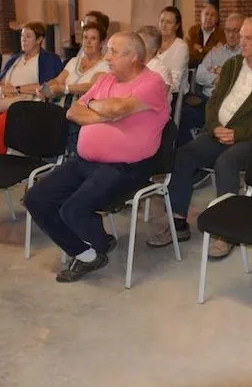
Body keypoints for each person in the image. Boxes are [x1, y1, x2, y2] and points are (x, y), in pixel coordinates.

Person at [23, 32, 170, 283]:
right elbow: (72, 111)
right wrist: (106, 112)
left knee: (72, 209)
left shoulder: (152, 83)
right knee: (36, 198)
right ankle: (90, 253)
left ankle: (98, 243)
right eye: (108, 50)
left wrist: (106, 109)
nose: (107, 56)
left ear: (134, 56)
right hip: (85, 161)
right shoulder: (106, 80)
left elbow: (117, 108)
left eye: (113, 51)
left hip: (126, 167)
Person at [146, 17, 252, 259]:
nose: (241, 41)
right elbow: (213, 102)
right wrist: (214, 127)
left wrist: (239, 133)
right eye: (241, 36)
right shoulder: (233, 64)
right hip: (219, 131)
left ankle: (228, 231)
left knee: (227, 162)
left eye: (248, 37)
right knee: (184, 155)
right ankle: (178, 221)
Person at [0, 22, 63, 156]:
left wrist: (17, 89)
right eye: (22, 36)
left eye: (28, 36)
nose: (23, 40)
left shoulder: (50, 59)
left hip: (28, 104)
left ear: (39, 40)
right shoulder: (15, 58)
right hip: (5, 100)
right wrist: (0, 89)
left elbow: (46, 87)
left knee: (0, 127)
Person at [37, 22, 109, 155]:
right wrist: (44, 90)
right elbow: (57, 81)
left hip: (80, 112)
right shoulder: (74, 61)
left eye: (93, 38)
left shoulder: (105, 65)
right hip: (58, 108)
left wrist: (64, 88)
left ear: (101, 43)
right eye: (85, 37)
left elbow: (91, 87)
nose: (88, 42)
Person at [177, 13, 245, 146]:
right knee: (180, 113)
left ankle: (196, 146)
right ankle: (189, 150)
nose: (231, 35)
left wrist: (219, 71)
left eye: (236, 31)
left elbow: (237, 79)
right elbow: (200, 75)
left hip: (226, 104)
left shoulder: (246, 54)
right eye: (228, 30)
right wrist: (217, 77)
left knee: (190, 119)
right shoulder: (216, 52)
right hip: (205, 98)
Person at [156, 6, 190, 95]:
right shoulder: (153, 42)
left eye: (169, 22)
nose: (164, 25)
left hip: (173, 94)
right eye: (162, 21)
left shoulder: (181, 47)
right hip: (153, 89)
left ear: (177, 26)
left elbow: (174, 83)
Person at [136, 25, 174, 92]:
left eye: (140, 43)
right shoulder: (133, 64)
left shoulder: (161, 70)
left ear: (153, 50)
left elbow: (158, 96)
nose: (135, 46)